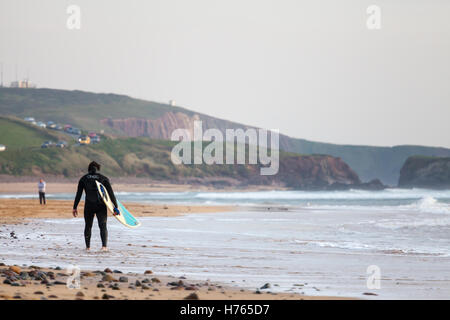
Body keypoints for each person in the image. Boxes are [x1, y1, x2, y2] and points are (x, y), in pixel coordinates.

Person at [72, 161, 119, 252]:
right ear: (97, 169)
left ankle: (88, 247)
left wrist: (75, 207)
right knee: (103, 225)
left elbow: (79, 194)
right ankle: (104, 247)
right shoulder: (103, 178)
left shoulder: (83, 179)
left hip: (89, 205)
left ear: (89, 169)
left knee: (88, 226)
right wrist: (115, 207)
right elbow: (110, 194)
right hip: (101, 205)